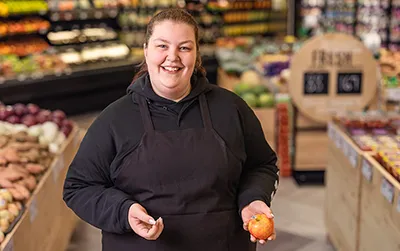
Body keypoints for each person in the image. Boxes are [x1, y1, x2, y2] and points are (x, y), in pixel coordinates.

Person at [63, 8, 279, 251]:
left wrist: (253, 198)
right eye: (162, 46)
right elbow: (79, 187)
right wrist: (124, 211)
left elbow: (262, 165)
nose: (173, 57)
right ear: (146, 50)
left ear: (197, 55)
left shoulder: (231, 109)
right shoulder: (115, 119)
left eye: (184, 48)